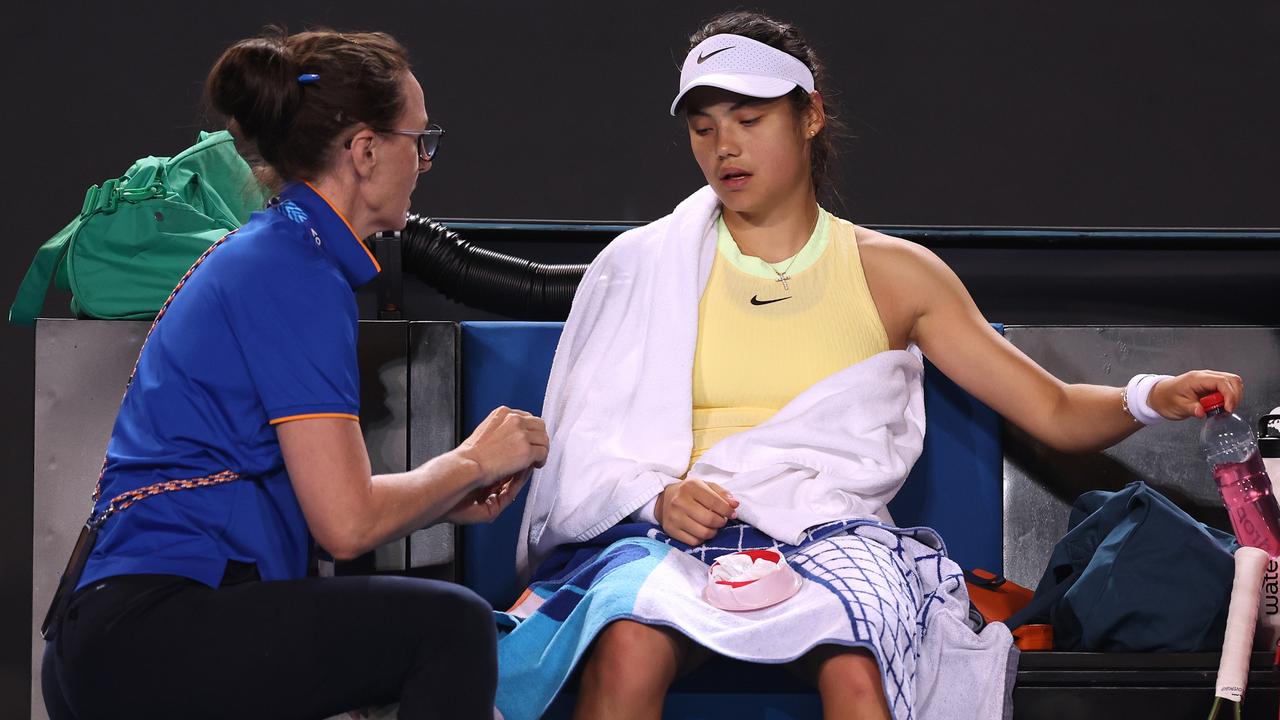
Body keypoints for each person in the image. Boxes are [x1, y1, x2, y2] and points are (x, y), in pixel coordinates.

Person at [501, 11, 1244, 720]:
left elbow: (1050, 409)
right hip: (668, 535)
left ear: (810, 115)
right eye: (704, 128)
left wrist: (1151, 395)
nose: (725, 147)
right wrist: (654, 497)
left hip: (829, 534)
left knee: (861, 662)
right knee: (626, 646)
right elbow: (586, 447)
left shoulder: (897, 275)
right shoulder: (640, 266)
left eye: (750, 121)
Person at [40, 29, 547, 720]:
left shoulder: (280, 252)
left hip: (117, 639)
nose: (425, 163)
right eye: (418, 141)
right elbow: (345, 522)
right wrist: (470, 460)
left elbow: (327, 497)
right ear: (366, 151)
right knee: (450, 626)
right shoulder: (293, 272)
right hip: (151, 631)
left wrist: (440, 494)